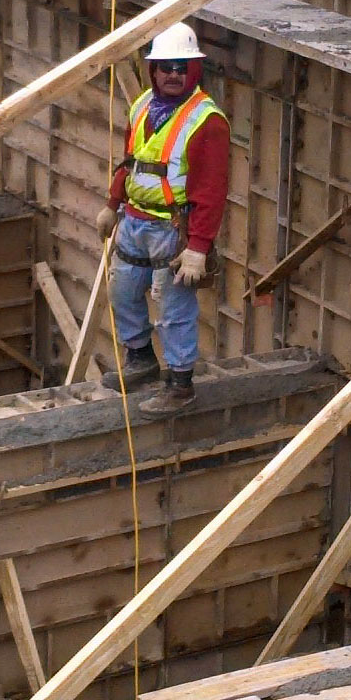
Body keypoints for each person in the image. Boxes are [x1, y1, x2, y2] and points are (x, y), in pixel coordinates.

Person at [96, 22, 229, 415]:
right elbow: (131, 160)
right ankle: (141, 359)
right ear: (153, 69)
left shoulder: (207, 121)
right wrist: (112, 203)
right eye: (166, 66)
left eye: (181, 67)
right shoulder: (141, 106)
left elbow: (211, 191)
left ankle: (180, 383)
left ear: (194, 71)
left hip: (174, 229)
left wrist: (198, 249)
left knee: (174, 309)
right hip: (135, 222)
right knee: (122, 291)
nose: (173, 74)